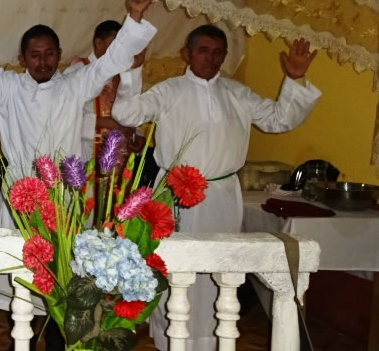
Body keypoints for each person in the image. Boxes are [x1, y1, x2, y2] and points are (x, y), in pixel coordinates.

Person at [0, 0, 158, 320]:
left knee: (61, 278)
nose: (43, 61)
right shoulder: (6, 87)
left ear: (59, 54)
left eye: (50, 53)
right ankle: (18, 336)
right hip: (20, 192)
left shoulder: (74, 85)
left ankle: (55, 333)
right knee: (19, 277)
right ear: (22, 58)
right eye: (35, 55)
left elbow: (109, 63)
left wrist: (135, 15)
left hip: (62, 196)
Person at [111, 24, 321, 351]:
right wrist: (133, 72)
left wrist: (294, 78)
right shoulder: (168, 91)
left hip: (222, 198)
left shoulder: (238, 94)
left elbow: (279, 119)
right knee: (175, 267)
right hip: (174, 196)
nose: (210, 58)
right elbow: (126, 113)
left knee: (220, 269)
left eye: (218, 52)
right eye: (203, 50)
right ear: (187, 53)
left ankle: (214, 340)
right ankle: (172, 340)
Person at [66, 20, 146, 163]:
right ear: (98, 43)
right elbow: (63, 120)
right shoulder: (76, 72)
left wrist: (138, 136)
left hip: (121, 159)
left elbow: (134, 112)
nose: (120, 51)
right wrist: (103, 122)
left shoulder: (126, 73)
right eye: (116, 45)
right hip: (87, 155)